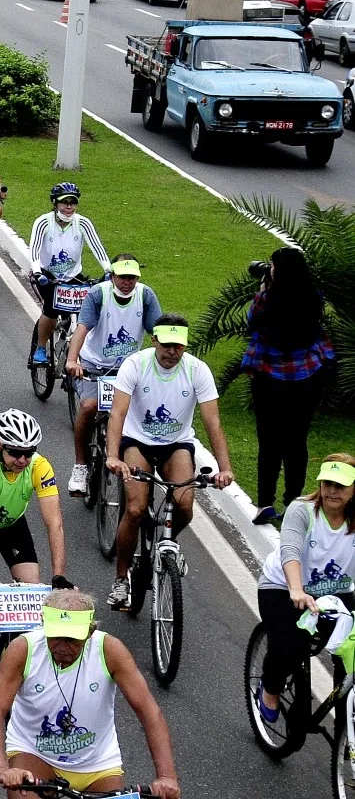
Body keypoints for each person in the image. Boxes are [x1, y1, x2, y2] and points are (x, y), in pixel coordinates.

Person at [0, 589, 180, 799]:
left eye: (72, 639)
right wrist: (2, 769)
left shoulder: (110, 650)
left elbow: (149, 712)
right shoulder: (23, 650)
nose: (62, 646)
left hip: (98, 763)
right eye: (55, 637)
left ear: (89, 632)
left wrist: (166, 776)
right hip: (35, 754)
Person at [104, 315, 235, 610]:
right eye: (166, 345)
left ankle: (166, 542)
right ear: (154, 341)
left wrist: (224, 468)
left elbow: (213, 422)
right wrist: (112, 455)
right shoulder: (135, 365)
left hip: (176, 444)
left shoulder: (197, 370)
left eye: (178, 346)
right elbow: (118, 414)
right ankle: (122, 578)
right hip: (137, 442)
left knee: (185, 504)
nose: (171, 352)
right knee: (136, 508)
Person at [0, 409, 71, 666]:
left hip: (10, 520)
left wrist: (59, 575)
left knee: (32, 584)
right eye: (15, 452)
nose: (22, 460)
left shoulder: (40, 466)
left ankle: (17, 647)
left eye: (29, 452)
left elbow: (55, 524)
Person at [253, 453, 355, 726]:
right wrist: (297, 590)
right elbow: (290, 550)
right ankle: (271, 688)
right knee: (289, 646)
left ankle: (346, 722)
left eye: (341, 485)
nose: (333, 490)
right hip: (284, 586)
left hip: (336, 594)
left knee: (351, 656)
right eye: (328, 483)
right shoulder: (302, 510)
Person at [243, 245, 338, 524]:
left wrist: (264, 288)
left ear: (276, 270)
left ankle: (264, 504)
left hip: (268, 378)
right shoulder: (313, 297)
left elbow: (253, 322)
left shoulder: (266, 300)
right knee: (297, 441)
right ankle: (293, 502)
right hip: (307, 378)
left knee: (269, 442)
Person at [62, 255, 161, 496]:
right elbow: (82, 328)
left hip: (128, 371)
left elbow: (157, 332)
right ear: (113, 275)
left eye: (132, 277)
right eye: (123, 276)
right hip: (94, 366)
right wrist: (72, 360)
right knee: (88, 407)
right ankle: (80, 466)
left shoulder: (146, 296)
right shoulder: (98, 294)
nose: (127, 282)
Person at [27, 182, 111, 367]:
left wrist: (108, 270)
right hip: (46, 275)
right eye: (65, 202)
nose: (69, 207)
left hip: (73, 275)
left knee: (87, 312)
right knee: (51, 309)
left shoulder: (82, 223)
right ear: (55, 203)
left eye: (73, 202)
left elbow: (98, 248)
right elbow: (34, 249)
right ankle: (40, 348)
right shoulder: (43, 222)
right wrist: (37, 271)